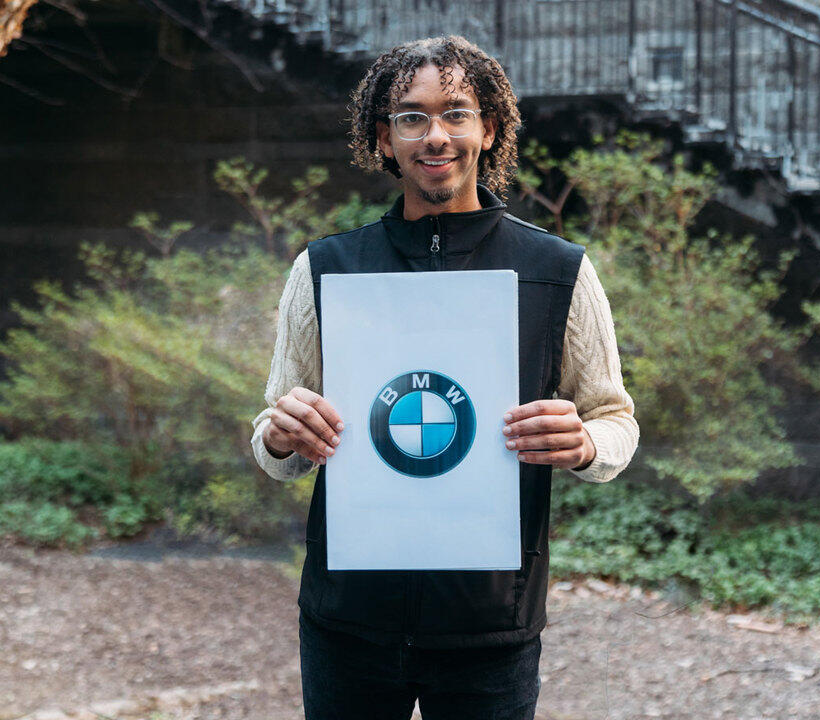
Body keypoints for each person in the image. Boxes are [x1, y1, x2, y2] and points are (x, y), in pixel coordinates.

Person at [250, 35, 640, 720]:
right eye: (412, 117)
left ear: (489, 129)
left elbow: (615, 420)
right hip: (349, 622)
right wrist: (282, 439)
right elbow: (274, 435)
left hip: (490, 625)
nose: (436, 136)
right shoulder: (326, 270)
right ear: (384, 137)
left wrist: (583, 444)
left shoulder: (557, 270)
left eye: (456, 113)